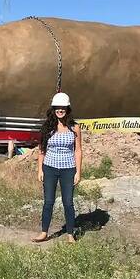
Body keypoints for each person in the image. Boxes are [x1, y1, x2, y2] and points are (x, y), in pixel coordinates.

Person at [32, 92, 82, 244]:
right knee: (48, 202)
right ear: (53, 109)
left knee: (68, 202)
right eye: (57, 108)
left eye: (63, 108)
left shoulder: (75, 127)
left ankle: (70, 234)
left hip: (68, 169)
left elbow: (78, 150)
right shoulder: (47, 127)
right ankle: (43, 232)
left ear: (68, 109)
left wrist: (78, 172)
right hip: (50, 168)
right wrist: (40, 169)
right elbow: (42, 150)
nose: (60, 111)